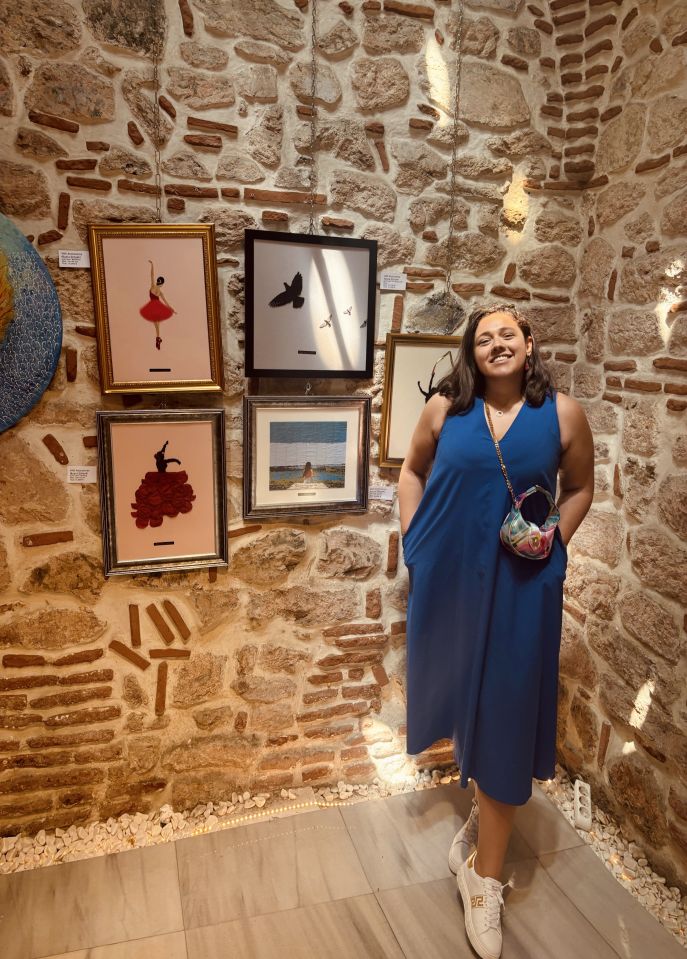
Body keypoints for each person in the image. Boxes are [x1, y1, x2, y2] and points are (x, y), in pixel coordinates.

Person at [398, 304, 594, 959]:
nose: (496, 344)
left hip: (523, 585)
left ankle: (483, 880)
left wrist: (555, 544)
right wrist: (415, 543)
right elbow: (411, 472)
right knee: (464, 696)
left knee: (507, 709)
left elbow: (581, 487)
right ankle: (482, 823)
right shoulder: (444, 410)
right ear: (471, 352)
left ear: (529, 343)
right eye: (483, 338)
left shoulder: (562, 414)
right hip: (453, 578)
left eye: (507, 333)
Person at [139, 259, 176, 350]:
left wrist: (152, 265)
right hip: (157, 307)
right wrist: (172, 309)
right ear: (162, 284)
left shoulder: (152, 286)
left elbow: (151, 275)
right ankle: (158, 338)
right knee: (157, 324)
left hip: (152, 307)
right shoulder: (160, 292)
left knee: (156, 324)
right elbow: (166, 302)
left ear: (157, 281)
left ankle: (158, 338)